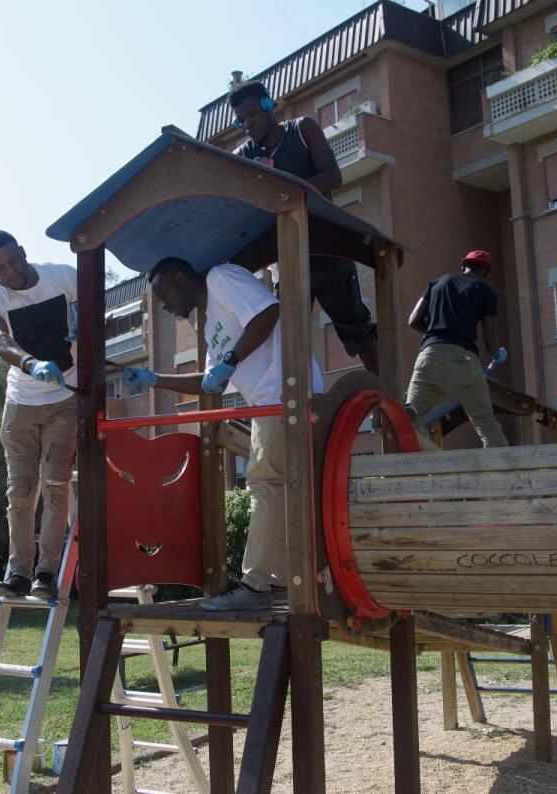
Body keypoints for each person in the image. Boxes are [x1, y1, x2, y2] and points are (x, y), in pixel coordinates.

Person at [123, 257, 323, 611]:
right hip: (270, 401)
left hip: (283, 393)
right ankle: (275, 579)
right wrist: (156, 379)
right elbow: (208, 383)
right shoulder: (209, 325)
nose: (166, 306)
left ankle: (257, 583)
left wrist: (231, 358)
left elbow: (267, 313)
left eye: (164, 294)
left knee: (264, 483)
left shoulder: (220, 277)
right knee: (277, 486)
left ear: (182, 277)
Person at [228, 80, 380, 375]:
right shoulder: (246, 154)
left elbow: (333, 177)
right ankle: (296, 409)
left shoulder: (303, 129)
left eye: (250, 115)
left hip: (330, 250)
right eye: (240, 120)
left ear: (268, 105)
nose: (246, 124)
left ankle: (391, 398)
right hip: (290, 258)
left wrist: (288, 195)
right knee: (286, 339)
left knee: (357, 331)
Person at [0, 229, 78, 599]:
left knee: (54, 485)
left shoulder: (63, 276)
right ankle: (19, 572)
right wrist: (30, 363)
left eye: (13, 260)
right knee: (20, 491)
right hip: (22, 401)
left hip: (66, 396)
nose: (9, 271)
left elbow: (98, 307)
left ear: (22, 251)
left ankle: (46, 573)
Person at [404, 250, 509, 448]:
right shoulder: (485, 291)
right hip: (464, 361)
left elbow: (413, 320)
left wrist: (437, 334)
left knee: (407, 421)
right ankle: (506, 475)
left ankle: (427, 462)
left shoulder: (437, 283)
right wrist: (497, 354)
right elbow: (490, 340)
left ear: (463, 266)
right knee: (486, 423)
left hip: (430, 356)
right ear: (485, 272)